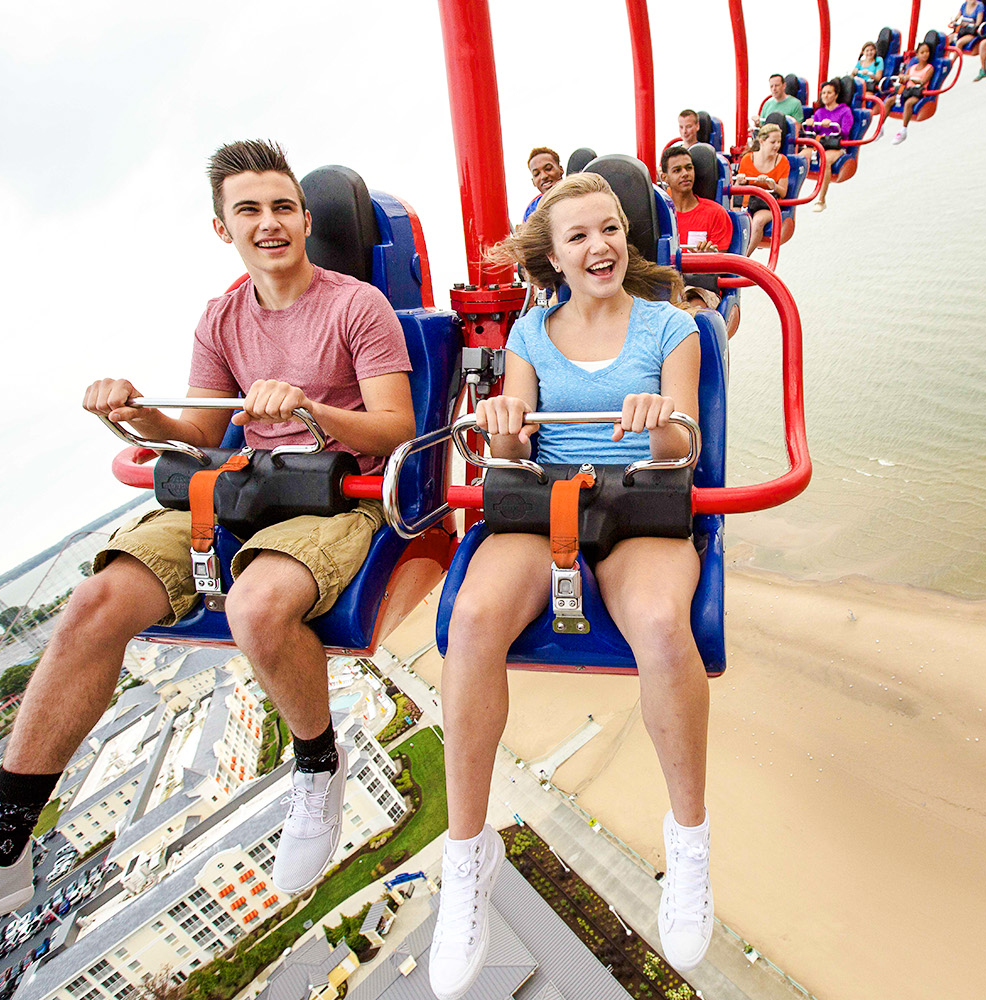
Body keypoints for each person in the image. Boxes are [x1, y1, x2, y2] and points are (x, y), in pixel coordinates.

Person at [0, 140, 418, 982]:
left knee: (255, 609)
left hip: (333, 494)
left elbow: (395, 427)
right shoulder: (221, 319)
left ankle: (318, 767)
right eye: (249, 211)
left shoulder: (355, 305)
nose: (269, 223)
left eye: (282, 207)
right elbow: (203, 437)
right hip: (243, 488)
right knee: (92, 607)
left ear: (305, 217)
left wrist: (314, 411)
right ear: (223, 229)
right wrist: (137, 415)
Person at [427, 172, 713, 999]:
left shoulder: (672, 327)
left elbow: (682, 452)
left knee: (662, 625)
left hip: (640, 499)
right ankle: (466, 856)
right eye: (581, 236)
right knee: (474, 617)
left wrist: (657, 422)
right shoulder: (528, 335)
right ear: (553, 258)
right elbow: (510, 458)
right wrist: (501, 431)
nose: (602, 247)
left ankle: (689, 840)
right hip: (550, 501)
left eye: (612, 229)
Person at [659, 143, 735, 314]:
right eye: (677, 170)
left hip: (699, 288)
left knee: (691, 310)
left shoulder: (715, 213)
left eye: (689, 168)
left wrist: (710, 257)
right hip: (666, 287)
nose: (685, 174)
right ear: (665, 177)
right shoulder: (660, 215)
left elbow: (724, 266)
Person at [736, 122, 789, 255]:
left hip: (767, 204)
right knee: (736, 217)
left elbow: (783, 191)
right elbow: (737, 189)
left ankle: (745, 257)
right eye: (773, 142)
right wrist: (740, 181)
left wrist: (773, 185)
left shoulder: (782, 161)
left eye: (779, 142)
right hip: (748, 202)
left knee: (758, 221)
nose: (777, 146)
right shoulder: (748, 159)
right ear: (762, 141)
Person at [808, 81, 854, 212]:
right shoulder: (819, 112)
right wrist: (811, 124)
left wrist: (831, 124)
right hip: (820, 143)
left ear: (836, 95)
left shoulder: (845, 111)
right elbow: (813, 131)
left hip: (836, 145)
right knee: (801, 156)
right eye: (823, 93)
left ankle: (821, 199)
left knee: (825, 160)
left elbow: (845, 131)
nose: (825, 96)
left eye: (829, 93)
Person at [889, 39, 937, 146]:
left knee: (908, 103)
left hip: (918, 92)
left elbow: (923, 81)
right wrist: (902, 78)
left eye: (927, 52)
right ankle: (880, 128)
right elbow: (905, 79)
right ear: (917, 55)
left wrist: (910, 77)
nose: (925, 55)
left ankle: (903, 130)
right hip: (908, 90)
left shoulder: (929, 68)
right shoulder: (912, 67)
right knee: (889, 101)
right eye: (922, 52)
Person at [522, 146, 563, 221]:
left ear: (561, 170)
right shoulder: (531, 210)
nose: (543, 176)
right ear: (533, 182)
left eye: (548, 169)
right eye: (536, 174)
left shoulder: (578, 193)